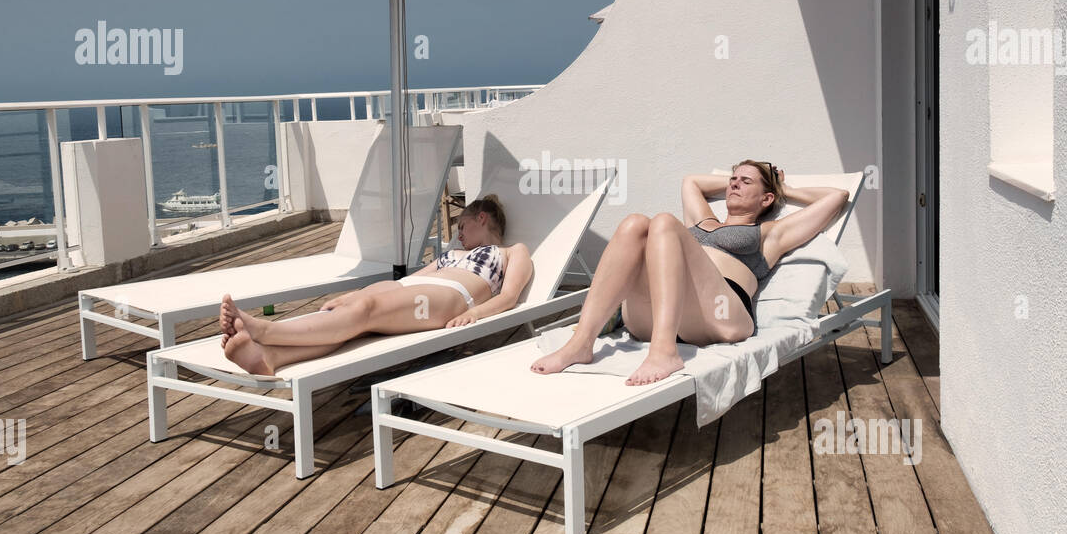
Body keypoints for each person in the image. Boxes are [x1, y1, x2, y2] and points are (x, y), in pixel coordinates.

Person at [531, 160, 848, 386]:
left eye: (745, 182)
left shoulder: (771, 233)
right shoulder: (704, 219)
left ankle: (664, 350)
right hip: (653, 318)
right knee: (635, 224)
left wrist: (782, 188)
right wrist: (741, 176)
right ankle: (581, 344)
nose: (734, 184)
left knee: (666, 222)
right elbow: (691, 182)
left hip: (722, 316)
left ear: (766, 199)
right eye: (732, 179)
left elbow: (836, 197)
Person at [219, 193, 532, 375]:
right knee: (359, 312)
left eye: (461, 226)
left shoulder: (511, 252)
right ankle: (270, 357)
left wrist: (475, 314)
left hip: (453, 296)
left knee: (366, 310)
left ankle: (264, 331)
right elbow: (414, 279)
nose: (458, 234)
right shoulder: (454, 253)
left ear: (482, 219)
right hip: (418, 289)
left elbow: (509, 297)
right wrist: (356, 293)